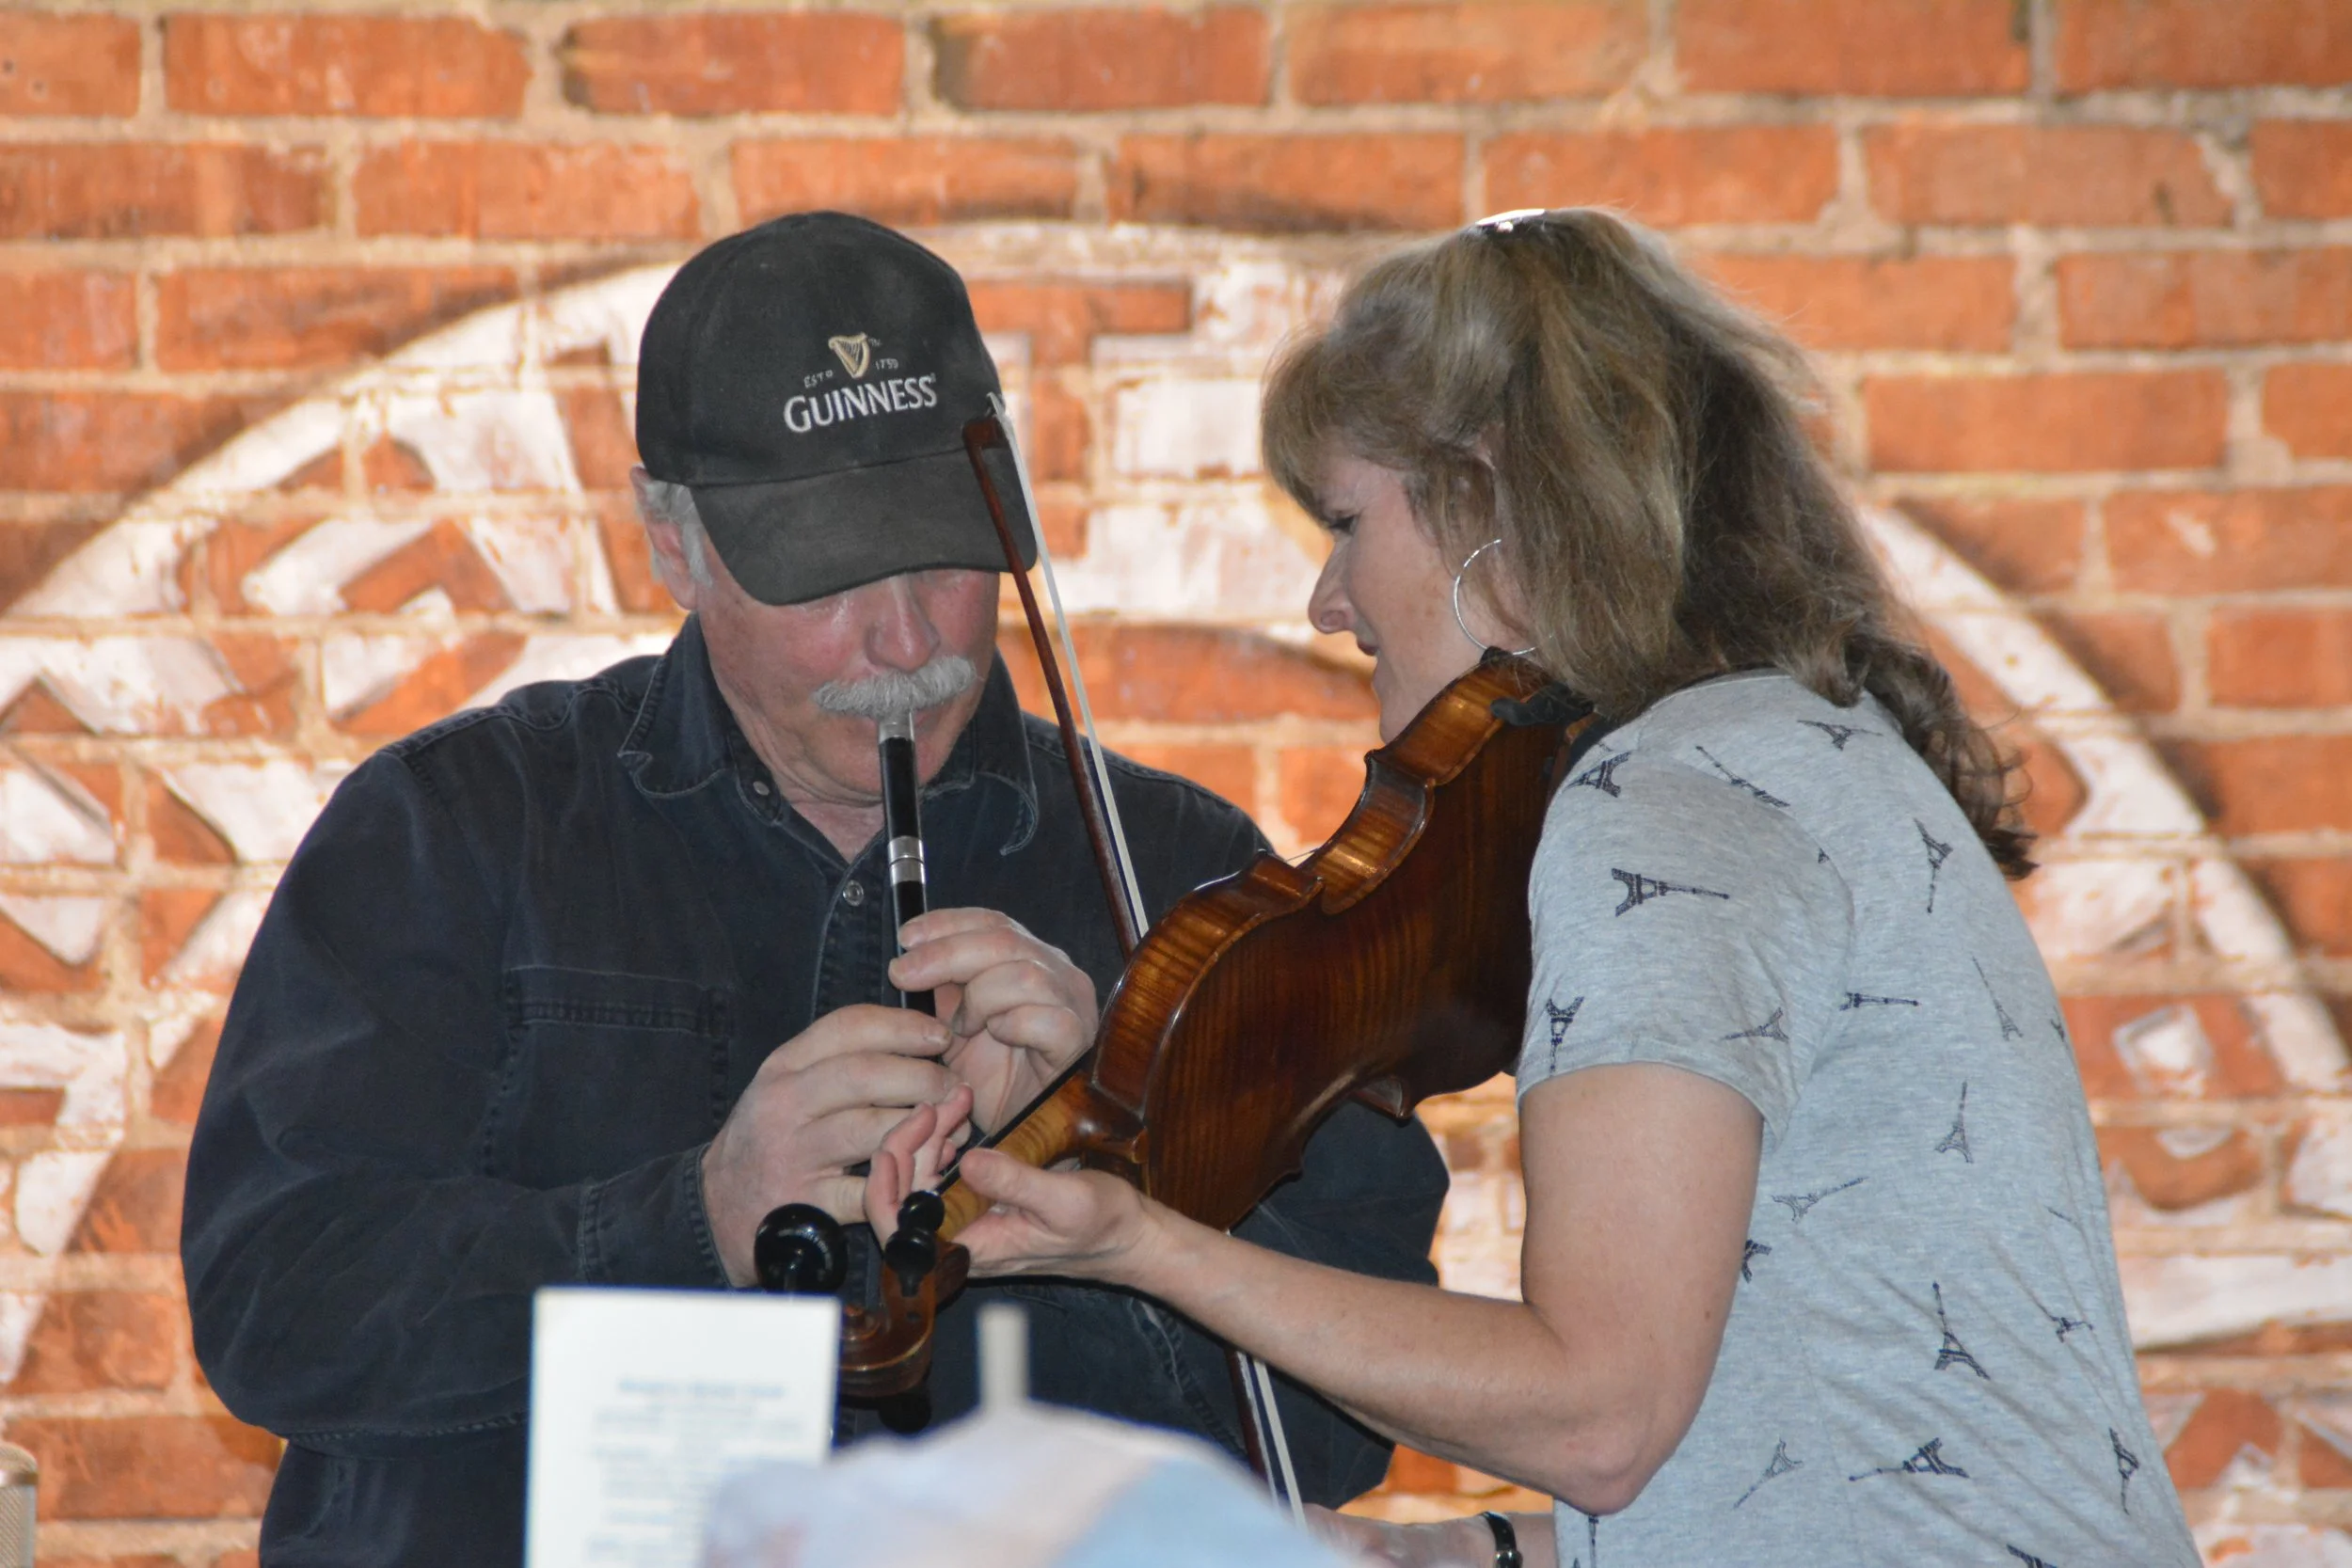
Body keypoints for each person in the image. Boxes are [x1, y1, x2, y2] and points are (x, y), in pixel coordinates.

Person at [877, 209, 2201, 1567]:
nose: (1330, 601)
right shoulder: (1811, 753)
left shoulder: (1662, 810)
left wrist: (1141, 1244)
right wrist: (1470, 1552)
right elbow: (1821, 1425)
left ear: (1489, 491)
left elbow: (1601, 1412)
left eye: (1345, 521)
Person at [180, 212, 1449, 1567]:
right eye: (828, 576)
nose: (905, 641)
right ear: (673, 544)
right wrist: (697, 1216)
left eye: (947, 559)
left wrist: (1119, 1127)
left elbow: (1338, 1413)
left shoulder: (1170, 867)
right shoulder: (456, 828)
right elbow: (276, 1306)